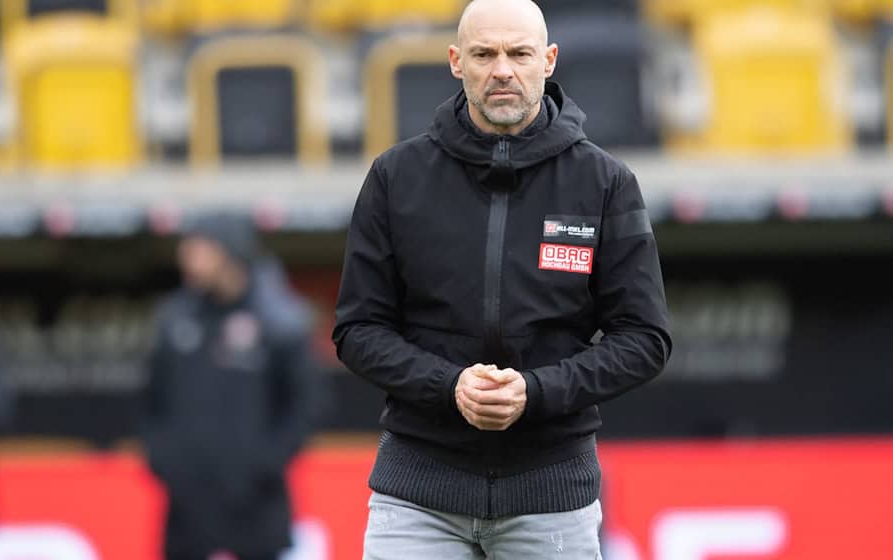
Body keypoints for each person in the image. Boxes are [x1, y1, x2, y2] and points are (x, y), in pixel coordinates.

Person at [332, 0, 672, 557]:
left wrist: (535, 393)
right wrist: (449, 387)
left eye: (519, 54)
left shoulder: (605, 182)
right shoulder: (396, 177)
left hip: (552, 497)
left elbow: (645, 339)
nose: (503, 70)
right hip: (417, 493)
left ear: (549, 60)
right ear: (454, 61)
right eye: (484, 54)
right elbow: (358, 329)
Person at [142, 213, 320, 560]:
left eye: (198, 249)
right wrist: (165, 463)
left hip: (257, 503)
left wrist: (263, 465)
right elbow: (151, 402)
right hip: (187, 505)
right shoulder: (175, 318)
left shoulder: (278, 320)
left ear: (230, 252)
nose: (187, 259)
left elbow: (305, 406)